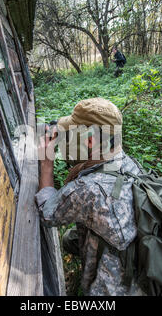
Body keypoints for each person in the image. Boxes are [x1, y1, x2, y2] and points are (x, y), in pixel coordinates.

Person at [35, 97, 145, 295]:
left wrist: (46, 163)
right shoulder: (132, 165)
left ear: (90, 140)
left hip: (111, 292)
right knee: (71, 239)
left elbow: (47, 213)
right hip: (141, 272)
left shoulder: (89, 190)